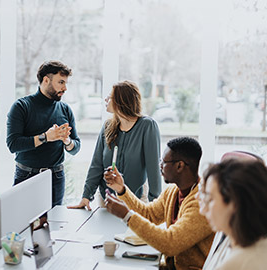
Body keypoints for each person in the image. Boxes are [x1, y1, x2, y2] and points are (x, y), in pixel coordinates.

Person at [104, 137, 214, 270]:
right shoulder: (173, 192)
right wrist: (121, 189)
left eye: (164, 161)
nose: (160, 165)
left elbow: (171, 243)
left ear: (180, 166)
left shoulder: (201, 202)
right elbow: (149, 214)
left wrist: (127, 216)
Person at [69, 80, 161, 211]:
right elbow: (96, 164)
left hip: (136, 199)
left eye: (110, 96)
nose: (106, 99)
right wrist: (86, 197)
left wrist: (155, 206)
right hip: (107, 200)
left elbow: (154, 170)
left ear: (121, 100)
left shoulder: (147, 126)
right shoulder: (108, 126)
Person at [6, 60, 81, 207]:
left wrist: (67, 141)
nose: (65, 88)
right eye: (61, 82)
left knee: (53, 225)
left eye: (66, 83)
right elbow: (13, 145)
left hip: (56, 177)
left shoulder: (65, 109)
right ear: (46, 80)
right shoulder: (21, 107)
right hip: (26, 176)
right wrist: (45, 137)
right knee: (22, 223)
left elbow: (76, 147)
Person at [198, 151, 264, 270]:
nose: (203, 210)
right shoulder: (235, 237)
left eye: (210, 199)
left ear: (235, 203)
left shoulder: (238, 264)